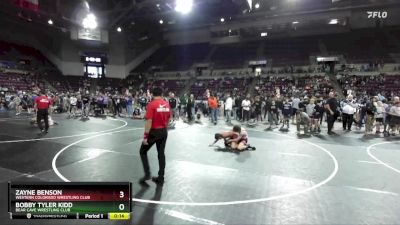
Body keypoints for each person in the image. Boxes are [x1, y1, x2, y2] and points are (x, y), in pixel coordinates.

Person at [139, 87, 171, 185]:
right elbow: (169, 118)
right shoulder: (166, 104)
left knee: (143, 151)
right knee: (161, 153)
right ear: (161, 94)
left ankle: (147, 174)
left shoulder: (151, 104)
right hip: (164, 131)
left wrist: (145, 136)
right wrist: (165, 127)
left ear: (152, 94)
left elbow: (149, 121)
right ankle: (161, 177)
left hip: (154, 132)